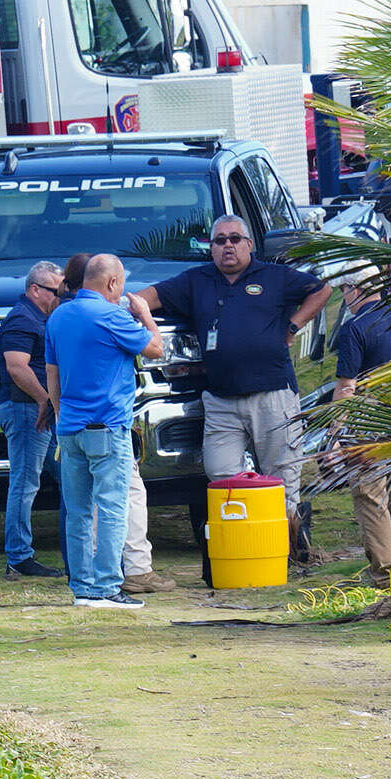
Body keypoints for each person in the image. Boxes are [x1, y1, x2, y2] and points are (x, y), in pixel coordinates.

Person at [138, 214, 330, 558]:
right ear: (210, 248)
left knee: (282, 477)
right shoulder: (195, 281)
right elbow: (144, 298)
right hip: (222, 400)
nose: (228, 245)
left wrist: (294, 325)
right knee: (222, 475)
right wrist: (113, 307)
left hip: (273, 394)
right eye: (220, 240)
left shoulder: (274, 276)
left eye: (234, 239)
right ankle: (247, 546)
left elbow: (322, 289)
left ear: (249, 245)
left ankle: (292, 549)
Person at [45, 254, 163, 608]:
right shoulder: (112, 316)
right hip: (107, 427)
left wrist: (59, 414)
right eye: (122, 284)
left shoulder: (58, 315)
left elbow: (52, 374)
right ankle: (109, 586)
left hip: (69, 427)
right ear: (112, 282)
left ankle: (82, 586)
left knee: (78, 510)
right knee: (112, 506)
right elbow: (155, 349)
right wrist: (144, 315)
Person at [330, 266, 391, 586]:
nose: (345, 297)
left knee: (372, 499)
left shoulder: (354, 328)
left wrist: (336, 432)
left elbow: (347, 386)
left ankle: (384, 575)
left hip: (368, 418)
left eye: (345, 290)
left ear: (355, 289)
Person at [0, 261, 68, 581]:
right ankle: (19, 557)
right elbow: (16, 367)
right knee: (25, 483)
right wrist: (44, 400)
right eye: (56, 291)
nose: (60, 297)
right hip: (28, 410)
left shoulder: (36, 317)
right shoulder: (22, 319)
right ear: (35, 289)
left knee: (67, 476)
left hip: (38, 410)